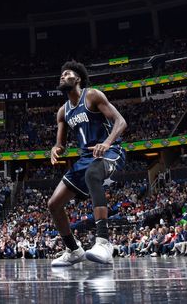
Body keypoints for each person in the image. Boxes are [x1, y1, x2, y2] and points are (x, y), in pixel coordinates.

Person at [47, 60, 127, 266]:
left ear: (78, 79)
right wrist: (56, 149)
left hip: (110, 152)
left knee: (92, 174)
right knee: (54, 204)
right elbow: (60, 144)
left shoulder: (92, 95)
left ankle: (104, 242)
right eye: (61, 74)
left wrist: (107, 143)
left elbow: (121, 121)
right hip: (85, 158)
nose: (63, 76)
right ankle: (74, 250)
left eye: (68, 74)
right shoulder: (63, 112)